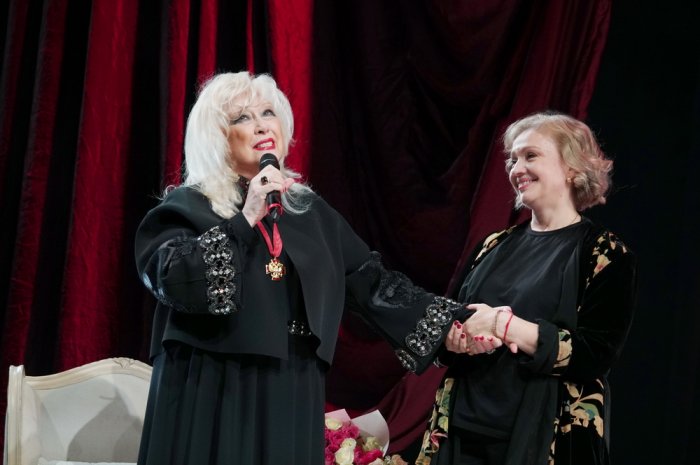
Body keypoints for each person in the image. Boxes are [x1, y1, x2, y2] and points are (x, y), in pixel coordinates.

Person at [134, 71, 469, 465]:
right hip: (216, 385)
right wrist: (245, 220)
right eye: (242, 118)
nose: (262, 125)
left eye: (268, 113)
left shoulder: (310, 212)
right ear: (217, 138)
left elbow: (374, 285)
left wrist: (454, 322)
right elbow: (173, 279)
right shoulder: (188, 207)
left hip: (293, 383)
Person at [416, 111, 638, 465]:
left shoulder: (604, 253)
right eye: (513, 159)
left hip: (542, 438)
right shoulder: (492, 245)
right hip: (461, 431)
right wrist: (456, 338)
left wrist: (502, 324)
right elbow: (455, 322)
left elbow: (594, 356)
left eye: (530, 156)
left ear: (572, 167)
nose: (516, 168)